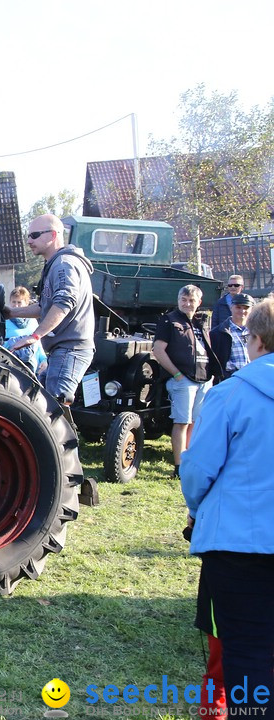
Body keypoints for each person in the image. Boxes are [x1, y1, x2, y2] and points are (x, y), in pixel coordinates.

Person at [181, 297, 274, 717]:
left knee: (248, 660)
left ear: (254, 340)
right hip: (243, 544)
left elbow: (198, 469)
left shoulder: (231, 394)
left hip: (241, 547)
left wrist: (197, 509)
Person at [8, 214, 95, 403]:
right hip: (62, 349)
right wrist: (10, 313)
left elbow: (64, 303)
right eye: (28, 235)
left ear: (53, 235)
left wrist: (35, 335)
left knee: (56, 407)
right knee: (40, 404)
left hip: (70, 348)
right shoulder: (54, 264)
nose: (29, 240)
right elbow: (44, 307)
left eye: (35, 235)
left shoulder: (64, 264)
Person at [152, 285, 221, 478]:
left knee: (195, 423)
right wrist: (176, 375)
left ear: (199, 303)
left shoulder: (200, 322)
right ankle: (179, 467)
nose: (187, 304)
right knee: (182, 422)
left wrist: (212, 376)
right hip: (184, 380)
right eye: (184, 300)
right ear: (178, 300)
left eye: (191, 300)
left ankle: (190, 460)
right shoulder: (169, 320)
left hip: (203, 379)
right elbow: (158, 350)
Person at [4, 286, 47, 375]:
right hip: (11, 365)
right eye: (13, 302)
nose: (16, 305)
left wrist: (44, 360)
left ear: (26, 303)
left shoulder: (33, 321)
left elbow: (38, 344)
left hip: (31, 367)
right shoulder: (5, 321)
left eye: (19, 302)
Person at [211, 293, 254, 382]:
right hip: (230, 380)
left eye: (246, 308)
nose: (242, 311)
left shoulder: (257, 332)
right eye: (238, 307)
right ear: (231, 307)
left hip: (253, 378)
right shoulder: (218, 333)